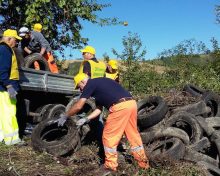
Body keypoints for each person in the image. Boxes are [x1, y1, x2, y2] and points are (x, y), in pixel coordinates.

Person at [55, 73, 150, 175]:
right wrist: (87, 118)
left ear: (83, 81)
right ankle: (143, 163)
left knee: (109, 136)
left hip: (120, 107)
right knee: (132, 135)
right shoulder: (101, 83)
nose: (80, 90)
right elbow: (99, 109)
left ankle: (110, 166)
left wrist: (66, 115)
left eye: (79, 86)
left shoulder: (90, 84)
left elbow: (79, 105)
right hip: (131, 104)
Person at [0, 29, 22, 145]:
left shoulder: (3, 49)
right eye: (15, 40)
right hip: (5, 89)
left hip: (3, 88)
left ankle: (2, 137)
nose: (16, 43)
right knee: (9, 113)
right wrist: (9, 86)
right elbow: (2, 70)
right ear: (9, 39)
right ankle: (12, 140)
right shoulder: (5, 50)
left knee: (3, 114)